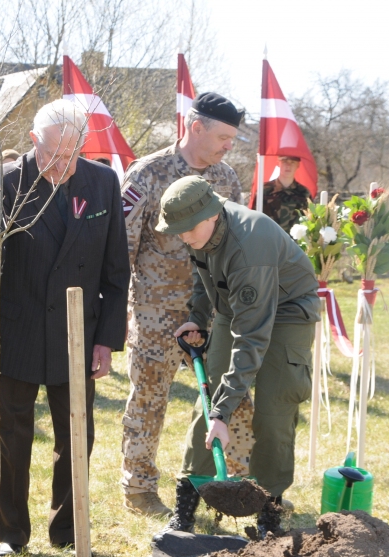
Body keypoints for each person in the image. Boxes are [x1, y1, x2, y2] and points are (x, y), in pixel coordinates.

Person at [0, 100, 130, 555]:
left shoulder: (103, 183)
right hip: (14, 327)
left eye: (71, 155)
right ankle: (11, 534)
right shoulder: (2, 182)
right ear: (32, 141)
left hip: (77, 332)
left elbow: (116, 271)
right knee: (12, 437)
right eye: (52, 154)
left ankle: (67, 531)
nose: (62, 166)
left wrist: (106, 340)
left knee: (76, 435)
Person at [157, 175, 318, 537]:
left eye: (186, 230)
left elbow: (252, 339)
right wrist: (197, 318)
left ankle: (269, 508)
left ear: (211, 214)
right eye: (177, 230)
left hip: (288, 313)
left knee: (274, 412)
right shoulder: (198, 230)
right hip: (237, 307)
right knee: (207, 400)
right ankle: (190, 495)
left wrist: (224, 414)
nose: (182, 236)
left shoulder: (250, 247)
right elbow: (204, 278)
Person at [119, 92, 253, 518]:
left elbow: (234, 242)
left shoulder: (227, 178)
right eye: (223, 136)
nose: (228, 145)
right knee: (149, 399)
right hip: (156, 311)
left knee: (227, 399)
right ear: (196, 128)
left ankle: (229, 484)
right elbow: (121, 248)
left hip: (212, 310)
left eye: (233, 138)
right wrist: (118, 314)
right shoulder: (148, 173)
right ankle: (139, 488)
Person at [262, 155, 312, 232]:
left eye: (292, 162)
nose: (288, 166)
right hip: (269, 240)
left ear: (298, 165)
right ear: (278, 163)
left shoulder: (304, 193)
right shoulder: (264, 190)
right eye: (284, 162)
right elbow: (254, 217)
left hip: (294, 242)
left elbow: (310, 221)